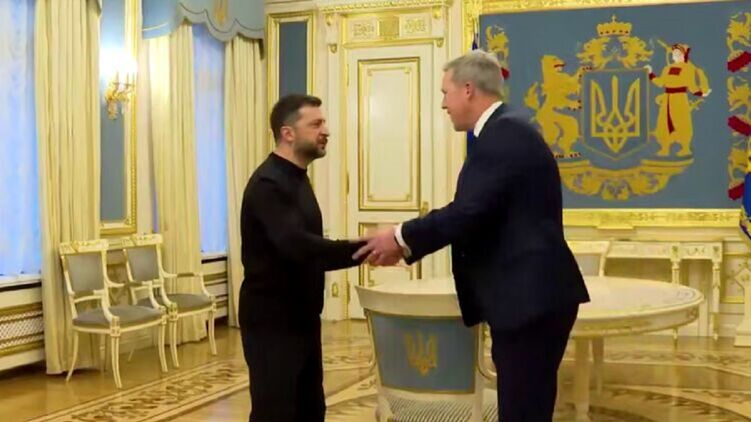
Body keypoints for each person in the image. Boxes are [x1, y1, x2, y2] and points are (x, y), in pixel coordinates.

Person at [354, 51, 590, 421]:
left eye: (445, 93)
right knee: (526, 405)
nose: (443, 104)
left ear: (467, 90)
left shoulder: (503, 135)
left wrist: (399, 237)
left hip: (528, 299)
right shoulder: (507, 130)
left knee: (523, 411)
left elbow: (467, 212)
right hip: (529, 297)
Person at [239, 94, 364, 422]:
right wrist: (364, 249)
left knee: (310, 409)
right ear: (288, 133)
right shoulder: (268, 184)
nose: (326, 131)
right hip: (271, 322)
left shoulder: (296, 177)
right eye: (316, 124)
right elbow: (298, 246)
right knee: (276, 413)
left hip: (302, 317)